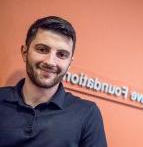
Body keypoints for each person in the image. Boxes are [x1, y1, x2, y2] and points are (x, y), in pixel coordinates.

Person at [0, 16, 107, 147]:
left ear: (69, 63)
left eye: (61, 55)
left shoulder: (87, 113)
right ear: (24, 52)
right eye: (42, 49)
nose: (50, 62)